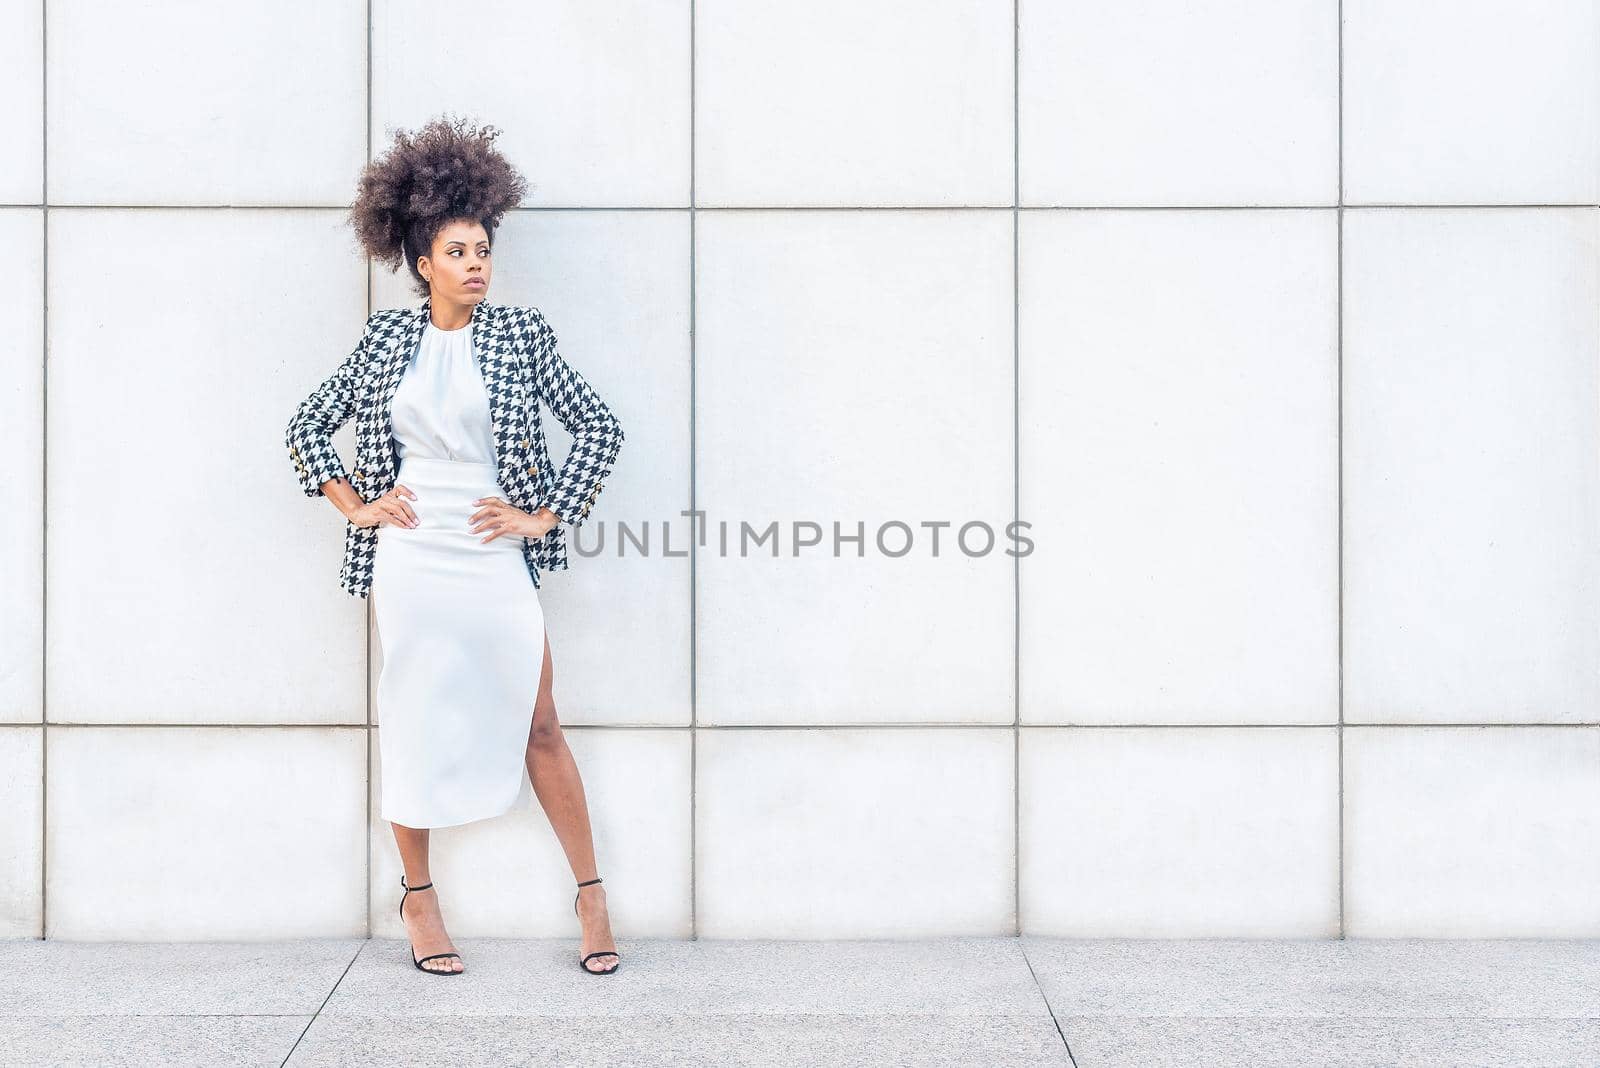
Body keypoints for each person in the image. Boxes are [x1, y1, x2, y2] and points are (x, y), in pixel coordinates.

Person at [284, 116, 625, 976]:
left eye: (483, 249)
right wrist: (355, 506)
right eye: (459, 252)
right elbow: (307, 426)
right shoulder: (386, 341)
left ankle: (591, 894)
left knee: (540, 721)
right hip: (410, 558)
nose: (477, 264)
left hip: (491, 555)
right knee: (413, 720)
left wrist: (541, 515)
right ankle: (420, 900)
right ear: (422, 263)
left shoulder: (522, 335)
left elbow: (599, 426)